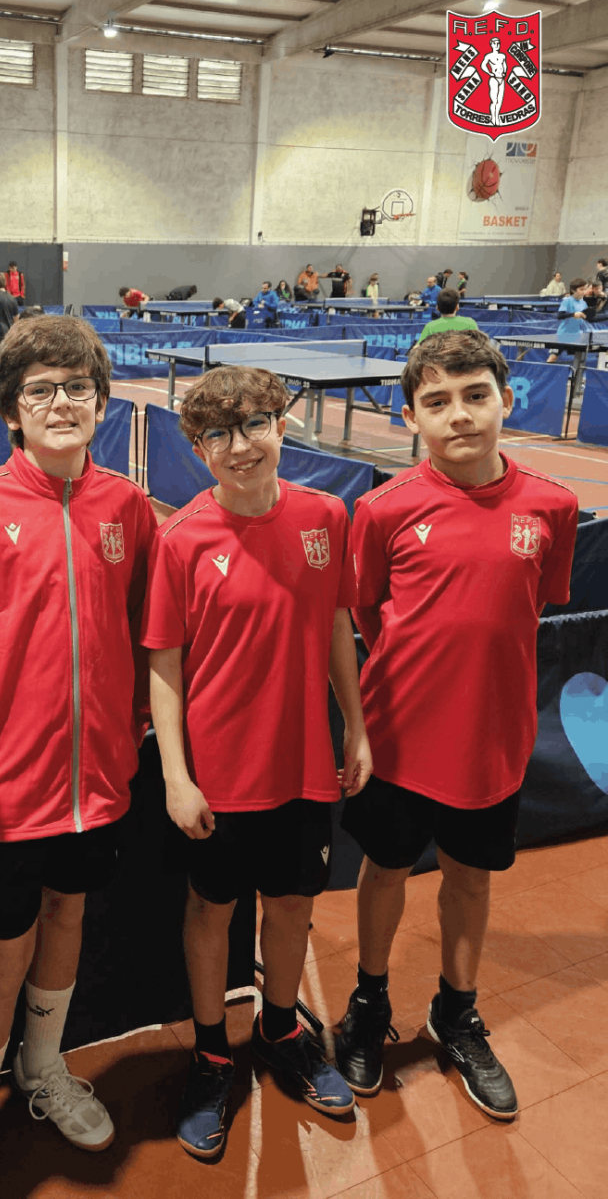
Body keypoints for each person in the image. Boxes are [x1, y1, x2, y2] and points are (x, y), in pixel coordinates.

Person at [0, 315, 158, 1199]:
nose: (61, 403)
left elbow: (145, 635)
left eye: (77, 387)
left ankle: (43, 1066)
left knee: (69, 920)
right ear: (12, 411)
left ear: (101, 402)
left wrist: (129, 735)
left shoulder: (128, 509)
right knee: (0, 957)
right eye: (40, 390)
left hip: (96, 786)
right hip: (0, 795)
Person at [335, 329, 578, 1121]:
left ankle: (456, 1011)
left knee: (471, 879)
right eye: (437, 402)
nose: (460, 415)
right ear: (411, 417)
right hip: (398, 738)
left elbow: (535, 604)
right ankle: (369, 1003)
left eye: (476, 396)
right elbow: (368, 612)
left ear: (507, 400)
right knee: (385, 869)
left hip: (492, 743)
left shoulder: (552, 506)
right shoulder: (382, 509)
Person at [142, 364, 372, 1158]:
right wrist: (176, 775)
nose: (239, 447)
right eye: (217, 434)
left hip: (303, 763)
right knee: (212, 910)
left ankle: (280, 1031)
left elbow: (338, 622)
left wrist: (355, 727)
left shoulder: (325, 517)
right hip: (218, 772)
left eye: (253, 426)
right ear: (198, 449)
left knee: (293, 903)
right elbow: (163, 665)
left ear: (282, 425)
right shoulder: (181, 539)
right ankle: (213, 1054)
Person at [547, 277, 590, 363]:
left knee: (579, 359)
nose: (584, 292)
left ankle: (576, 372)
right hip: (562, 335)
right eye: (581, 289)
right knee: (553, 358)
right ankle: (545, 371)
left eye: (585, 289)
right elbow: (559, 316)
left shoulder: (584, 303)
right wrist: (573, 314)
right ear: (573, 290)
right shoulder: (567, 301)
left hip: (576, 336)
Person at [481, 36, 507, 128]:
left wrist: (504, 72)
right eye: (495, 43)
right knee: (494, 100)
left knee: (500, 100)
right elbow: (483, 65)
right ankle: (493, 118)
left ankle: (497, 117)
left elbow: (504, 65)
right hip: (494, 78)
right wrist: (489, 73)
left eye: (498, 43)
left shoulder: (502, 56)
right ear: (491, 45)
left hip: (501, 78)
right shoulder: (489, 56)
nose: (497, 45)